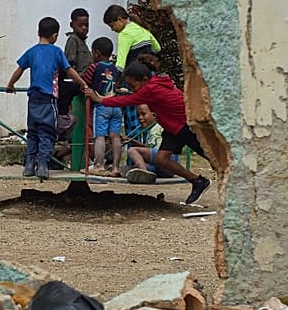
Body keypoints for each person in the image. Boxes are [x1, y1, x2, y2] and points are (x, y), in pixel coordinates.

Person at [87, 61, 211, 205]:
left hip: (187, 126)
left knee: (213, 158)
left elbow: (128, 101)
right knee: (161, 159)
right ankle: (197, 181)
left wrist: (99, 99)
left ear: (144, 80)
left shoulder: (151, 89)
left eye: (134, 86)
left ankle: (233, 185)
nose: (133, 90)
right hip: (173, 128)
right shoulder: (155, 84)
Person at [6, 17, 88, 180]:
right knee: (47, 132)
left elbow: (19, 70)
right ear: (55, 36)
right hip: (49, 99)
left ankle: (29, 165)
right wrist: (83, 83)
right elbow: (69, 70)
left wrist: (10, 84)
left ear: (38, 32)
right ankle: (43, 164)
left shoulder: (31, 51)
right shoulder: (56, 51)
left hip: (33, 99)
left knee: (33, 132)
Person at [84, 36, 124, 175]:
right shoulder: (115, 69)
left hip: (101, 106)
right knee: (115, 136)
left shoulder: (93, 67)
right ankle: (116, 167)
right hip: (116, 106)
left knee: (100, 136)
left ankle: (99, 165)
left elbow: (84, 82)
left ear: (96, 52)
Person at [103, 4, 160, 70]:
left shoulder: (124, 34)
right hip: (148, 74)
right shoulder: (142, 29)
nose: (112, 29)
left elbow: (120, 65)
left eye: (112, 26)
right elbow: (157, 48)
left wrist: (114, 77)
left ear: (119, 19)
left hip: (134, 75)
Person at [58, 8, 92, 118]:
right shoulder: (73, 40)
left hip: (83, 85)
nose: (84, 28)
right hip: (76, 85)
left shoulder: (82, 41)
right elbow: (68, 65)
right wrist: (79, 82)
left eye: (86, 25)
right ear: (72, 25)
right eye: (80, 25)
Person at [124, 104, 167, 184]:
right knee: (137, 165)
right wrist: (133, 141)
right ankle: (135, 171)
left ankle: (144, 173)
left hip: (166, 161)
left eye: (143, 114)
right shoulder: (149, 130)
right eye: (138, 115)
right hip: (163, 169)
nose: (140, 118)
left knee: (132, 150)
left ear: (154, 115)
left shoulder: (160, 126)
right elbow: (148, 148)